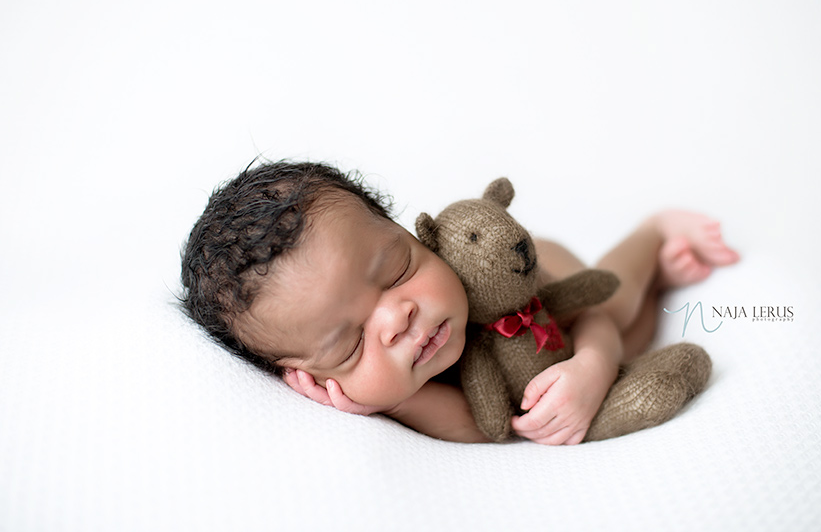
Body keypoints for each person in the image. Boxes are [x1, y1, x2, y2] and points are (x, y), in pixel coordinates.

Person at [181, 161, 740, 445]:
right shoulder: (393, 389)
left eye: (397, 269)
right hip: (537, 357)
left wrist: (591, 366)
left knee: (618, 319)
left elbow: (589, 317)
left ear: (408, 231)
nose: (397, 318)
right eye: (349, 343)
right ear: (304, 376)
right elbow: (482, 424)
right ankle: (664, 284)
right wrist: (385, 404)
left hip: (549, 286)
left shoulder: (486, 283)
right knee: (639, 343)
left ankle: (650, 236)